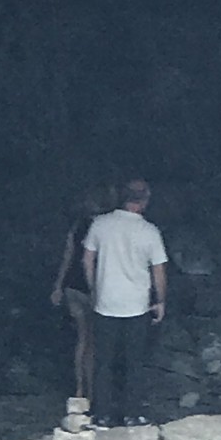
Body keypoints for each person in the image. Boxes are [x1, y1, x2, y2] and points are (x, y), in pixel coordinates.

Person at [82, 178, 167, 423]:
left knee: (103, 362)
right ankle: (133, 414)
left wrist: (94, 288)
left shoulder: (100, 224)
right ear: (145, 201)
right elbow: (158, 271)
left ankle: (101, 415)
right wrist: (160, 300)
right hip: (137, 305)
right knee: (134, 362)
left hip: (105, 303)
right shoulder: (149, 231)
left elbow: (87, 260)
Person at [50, 183, 117, 401]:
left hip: (73, 286)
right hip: (95, 287)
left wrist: (58, 286)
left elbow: (68, 256)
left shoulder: (78, 225)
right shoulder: (106, 227)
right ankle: (93, 390)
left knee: (82, 338)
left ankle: (80, 388)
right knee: (95, 340)